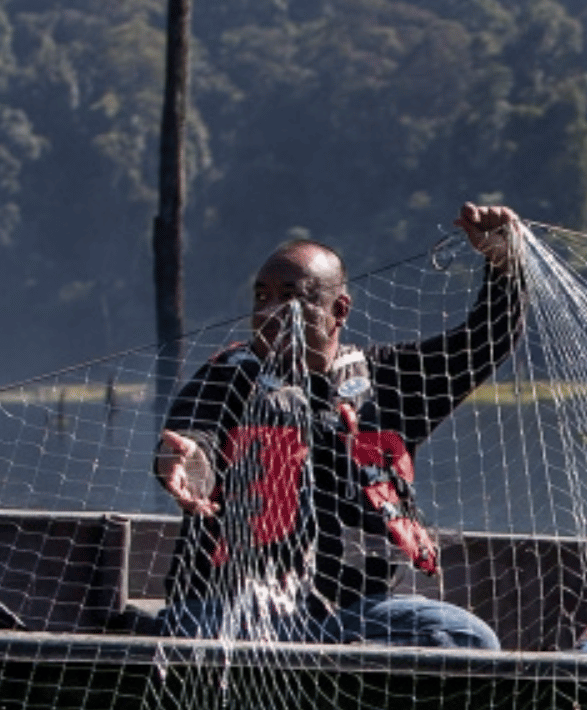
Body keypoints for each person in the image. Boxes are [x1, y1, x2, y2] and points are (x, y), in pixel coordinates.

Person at [155, 202, 525, 645]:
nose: (271, 310)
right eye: (261, 297)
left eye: (291, 297)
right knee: (205, 631)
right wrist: (188, 460)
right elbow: (197, 432)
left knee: (467, 637)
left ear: (340, 309)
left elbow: (486, 340)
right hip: (238, 603)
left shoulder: (391, 379)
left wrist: (504, 264)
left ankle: (349, 671)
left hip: (359, 610)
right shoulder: (226, 377)